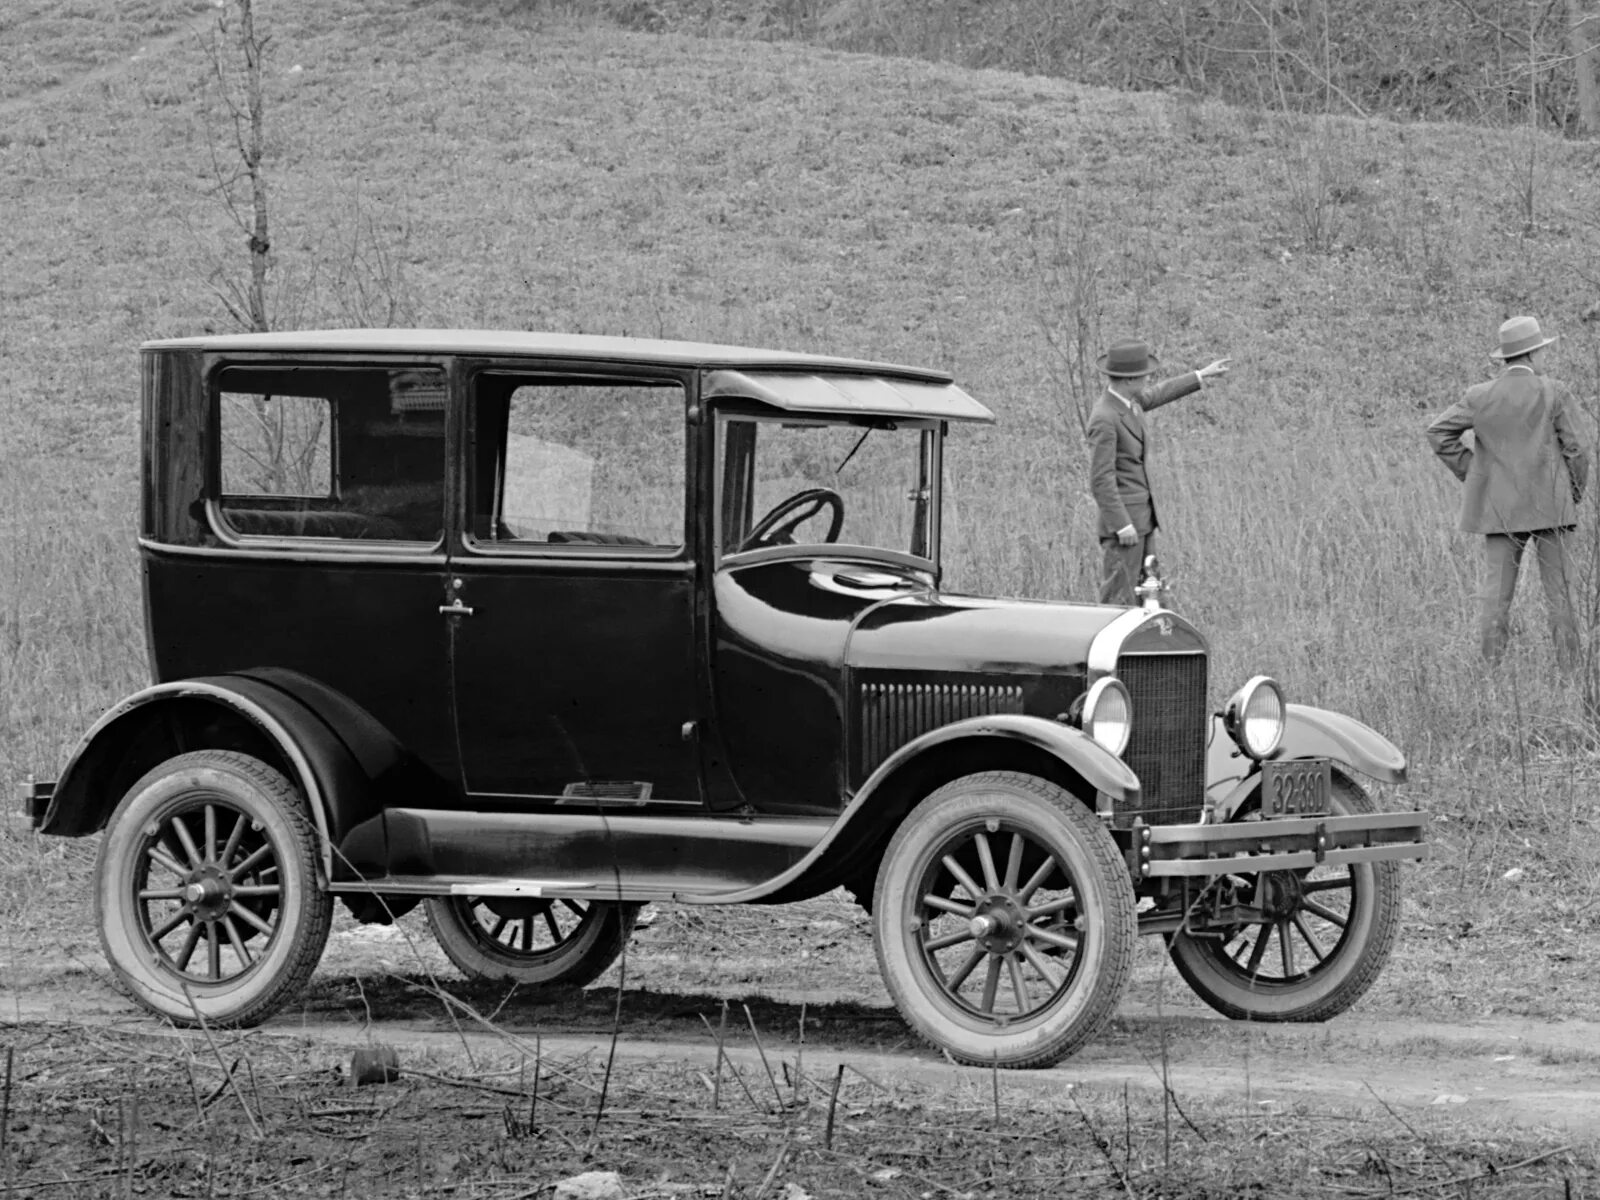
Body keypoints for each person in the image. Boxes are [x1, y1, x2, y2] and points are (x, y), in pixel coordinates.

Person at [1426, 315, 1589, 665]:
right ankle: (1571, 675)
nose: (1545, 357)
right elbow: (1577, 449)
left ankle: (1491, 672)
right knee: (1561, 597)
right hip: (1552, 508)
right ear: (1531, 356)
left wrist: (1475, 474)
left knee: (1495, 597)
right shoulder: (1553, 391)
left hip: (1498, 509)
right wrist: (1571, 495)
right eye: (1542, 351)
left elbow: (1438, 433)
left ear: (1507, 358)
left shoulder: (1480, 396)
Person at [1086, 337, 1231, 605]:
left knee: (1150, 595)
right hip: (1125, 527)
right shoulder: (1104, 417)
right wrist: (1121, 524)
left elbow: (1156, 394)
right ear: (1129, 380)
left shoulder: (1128, 401)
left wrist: (1201, 375)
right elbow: (1100, 480)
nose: (1148, 380)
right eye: (1143, 376)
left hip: (1142, 520)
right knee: (1118, 601)